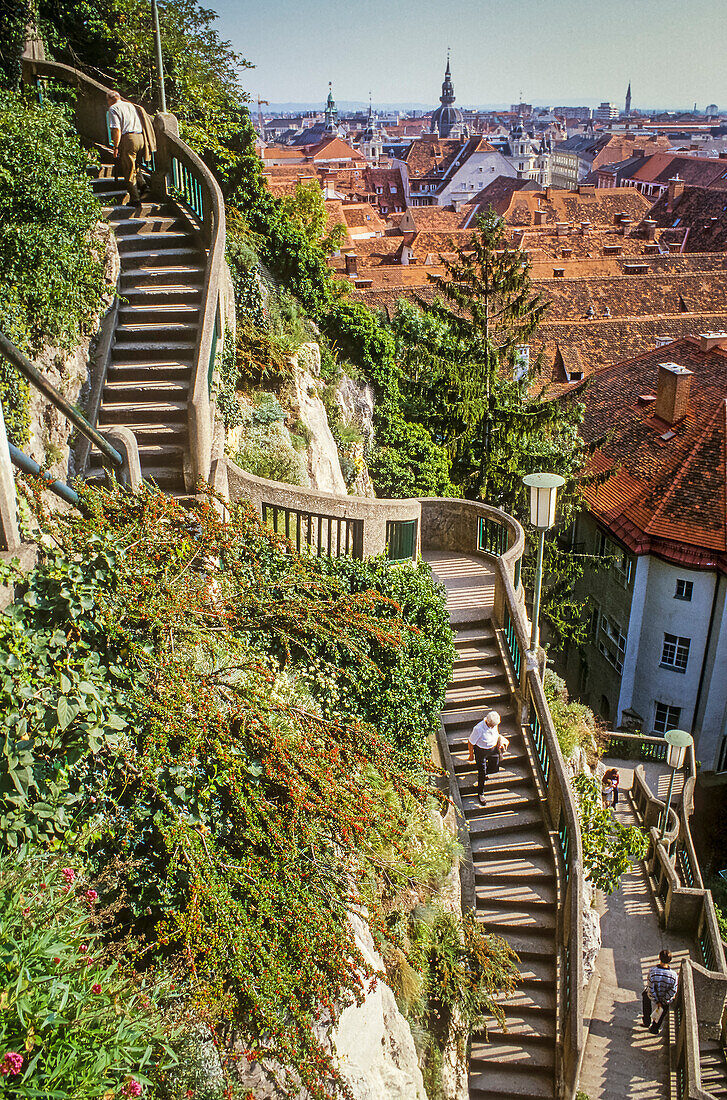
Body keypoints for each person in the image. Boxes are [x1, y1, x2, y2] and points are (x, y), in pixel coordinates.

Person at [106, 91, 144, 204]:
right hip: (140, 137)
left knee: (128, 168)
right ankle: (143, 186)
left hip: (129, 139)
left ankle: (135, 198)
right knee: (135, 165)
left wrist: (116, 147)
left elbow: (117, 129)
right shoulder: (129, 105)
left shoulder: (113, 109)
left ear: (110, 100)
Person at [468, 710, 509, 806]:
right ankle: (480, 793)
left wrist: (499, 743)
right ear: (487, 722)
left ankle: (485, 772)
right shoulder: (478, 729)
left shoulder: (494, 724)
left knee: (495, 767)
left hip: (493, 749)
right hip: (481, 751)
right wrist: (471, 755)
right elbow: (470, 742)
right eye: (492, 726)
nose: (494, 727)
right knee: (482, 773)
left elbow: (496, 734)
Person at [642, 949, 679, 1033]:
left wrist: (657, 1000)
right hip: (664, 999)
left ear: (659, 958)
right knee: (663, 1010)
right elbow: (673, 991)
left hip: (653, 996)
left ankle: (646, 1021)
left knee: (645, 996)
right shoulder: (673, 975)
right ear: (670, 961)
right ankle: (654, 1029)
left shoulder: (652, 971)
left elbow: (650, 988)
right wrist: (662, 1001)